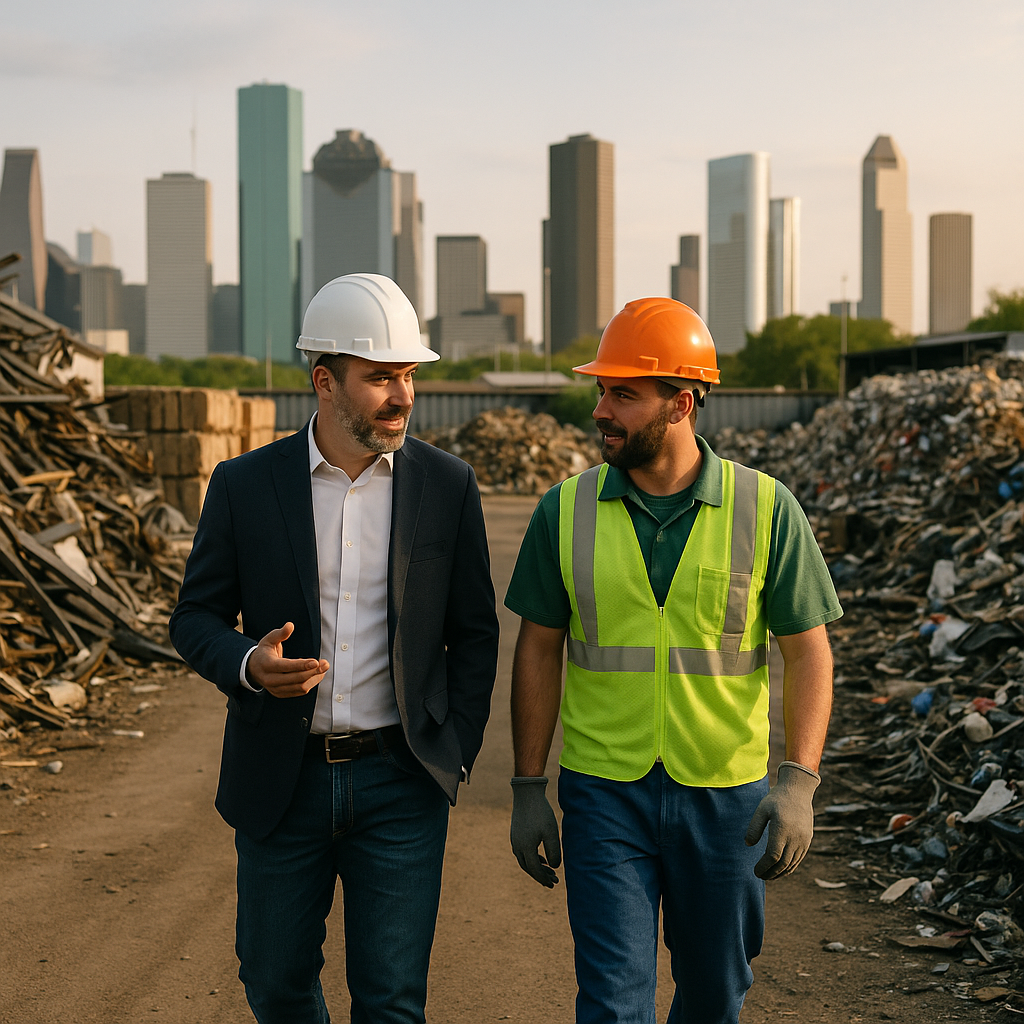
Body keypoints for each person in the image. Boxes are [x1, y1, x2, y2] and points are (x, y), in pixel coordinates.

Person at [169, 273, 499, 1024]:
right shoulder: (245, 485)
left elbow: (475, 633)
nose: (403, 395)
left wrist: (453, 751)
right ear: (325, 381)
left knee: (392, 1002)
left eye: (408, 375)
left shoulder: (447, 486)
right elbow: (194, 618)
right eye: (381, 377)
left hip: (401, 786)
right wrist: (250, 664)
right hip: (281, 786)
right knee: (275, 981)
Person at [506, 297, 842, 1024]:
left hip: (726, 799)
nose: (601, 408)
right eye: (601, 389)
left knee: (716, 997)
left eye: (623, 393)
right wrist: (529, 784)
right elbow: (537, 647)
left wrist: (800, 783)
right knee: (612, 1003)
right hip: (604, 794)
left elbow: (809, 651)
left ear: (682, 402)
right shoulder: (563, 511)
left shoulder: (767, 509)